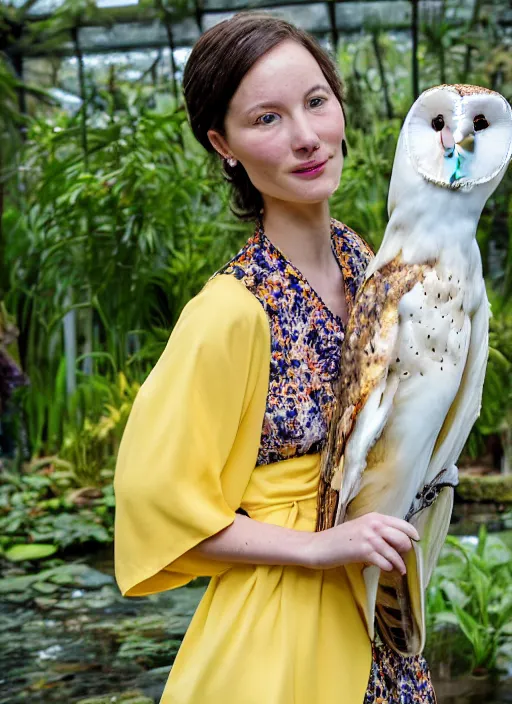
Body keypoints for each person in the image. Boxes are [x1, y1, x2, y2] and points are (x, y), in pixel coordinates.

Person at [114, 13, 436, 704]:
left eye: (316, 101)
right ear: (222, 144)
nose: (306, 137)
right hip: (287, 624)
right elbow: (160, 511)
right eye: (267, 118)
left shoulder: (365, 259)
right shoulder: (231, 311)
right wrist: (320, 545)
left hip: (379, 609)